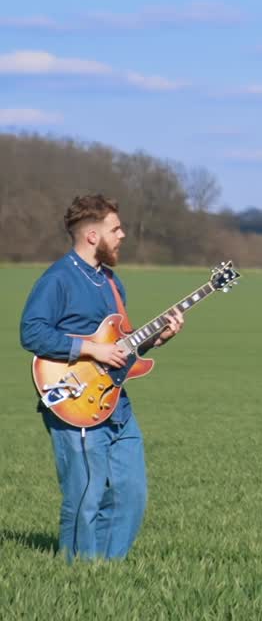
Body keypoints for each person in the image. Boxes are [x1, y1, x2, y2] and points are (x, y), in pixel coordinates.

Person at [19, 194, 183, 560]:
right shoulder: (58, 279)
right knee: (86, 494)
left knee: (131, 493)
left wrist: (157, 338)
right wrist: (91, 350)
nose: (123, 235)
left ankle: (106, 572)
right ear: (93, 236)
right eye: (116, 229)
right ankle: (78, 572)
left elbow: (119, 348)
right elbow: (32, 332)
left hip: (116, 402)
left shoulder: (110, 281)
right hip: (73, 399)